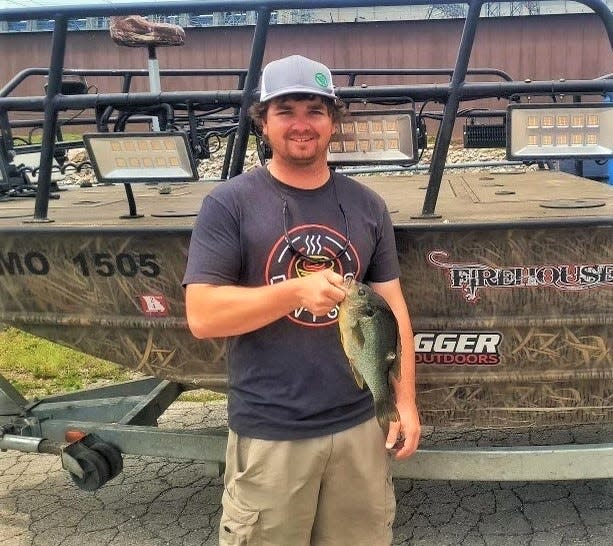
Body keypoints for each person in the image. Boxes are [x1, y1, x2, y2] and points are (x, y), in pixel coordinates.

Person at [183, 54, 420, 546]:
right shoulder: (229, 203)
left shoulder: (367, 205)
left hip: (359, 427)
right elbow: (202, 316)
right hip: (272, 431)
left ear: (334, 121)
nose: (301, 124)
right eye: (285, 110)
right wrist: (293, 291)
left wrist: (405, 401)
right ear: (262, 123)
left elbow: (393, 311)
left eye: (315, 110)